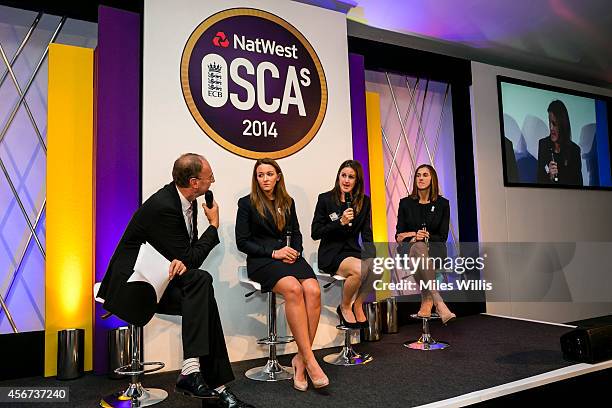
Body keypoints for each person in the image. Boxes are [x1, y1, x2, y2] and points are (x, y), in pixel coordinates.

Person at [97, 153, 253, 408]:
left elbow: (186, 259)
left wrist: (185, 259)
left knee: (201, 290)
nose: (212, 181)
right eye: (209, 177)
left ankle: (206, 382)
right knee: (200, 282)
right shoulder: (165, 206)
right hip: (134, 288)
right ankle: (210, 384)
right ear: (194, 182)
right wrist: (213, 227)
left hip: (161, 280)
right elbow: (191, 258)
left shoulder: (186, 202)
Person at [235, 158, 329, 392]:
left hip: (289, 256)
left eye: (269, 174)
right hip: (263, 260)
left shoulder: (288, 201)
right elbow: (242, 242)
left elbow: (295, 232)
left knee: (313, 290)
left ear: (278, 176)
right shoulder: (246, 203)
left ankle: (300, 358)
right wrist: (274, 252)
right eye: (260, 175)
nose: (265, 179)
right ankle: (310, 361)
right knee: (294, 289)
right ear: (256, 178)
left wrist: (294, 251)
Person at [311, 159, 376, 329]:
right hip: (331, 253)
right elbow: (315, 232)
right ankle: (345, 306)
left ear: (357, 181)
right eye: (343, 175)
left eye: (351, 177)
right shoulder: (325, 199)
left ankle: (358, 303)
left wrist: (372, 255)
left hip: (352, 251)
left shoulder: (364, 201)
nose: (346, 180)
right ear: (338, 177)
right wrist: (339, 222)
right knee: (360, 269)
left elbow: (366, 232)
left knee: (378, 269)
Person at [395, 164, 456, 324]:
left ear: (432, 179)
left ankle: (427, 299)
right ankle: (438, 301)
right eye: (418, 175)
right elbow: (399, 235)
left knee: (421, 250)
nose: (421, 178)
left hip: (435, 250)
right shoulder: (405, 203)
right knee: (418, 247)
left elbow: (442, 236)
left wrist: (426, 236)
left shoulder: (443, 204)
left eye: (425, 175)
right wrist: (415, 236)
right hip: (409, 251)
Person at [537, 100, 583, 185]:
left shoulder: (574, 150)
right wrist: (550, 177)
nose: (551, 128)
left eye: (554, 123)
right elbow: (539, 180)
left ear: (562, 124)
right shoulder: (543, 145)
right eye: (549, 122)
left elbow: (578, 185)